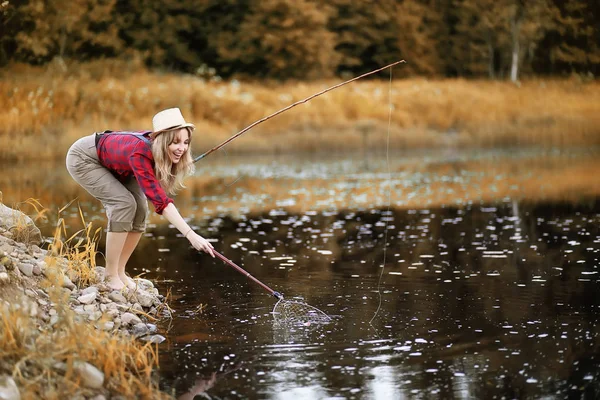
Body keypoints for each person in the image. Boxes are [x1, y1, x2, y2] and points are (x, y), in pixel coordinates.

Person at [66, 108, 215, 290]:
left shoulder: (154, 153)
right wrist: (190, 235)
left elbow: (154, 188)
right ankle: (110, 275)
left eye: (185, 142)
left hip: (117, 165)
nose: (182, 148)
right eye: (175, 142)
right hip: (84, 158)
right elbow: (161, 201)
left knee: (141, 209)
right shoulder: (141, 153)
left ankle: (120, 272)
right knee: (123, 204)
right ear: (162, 141)